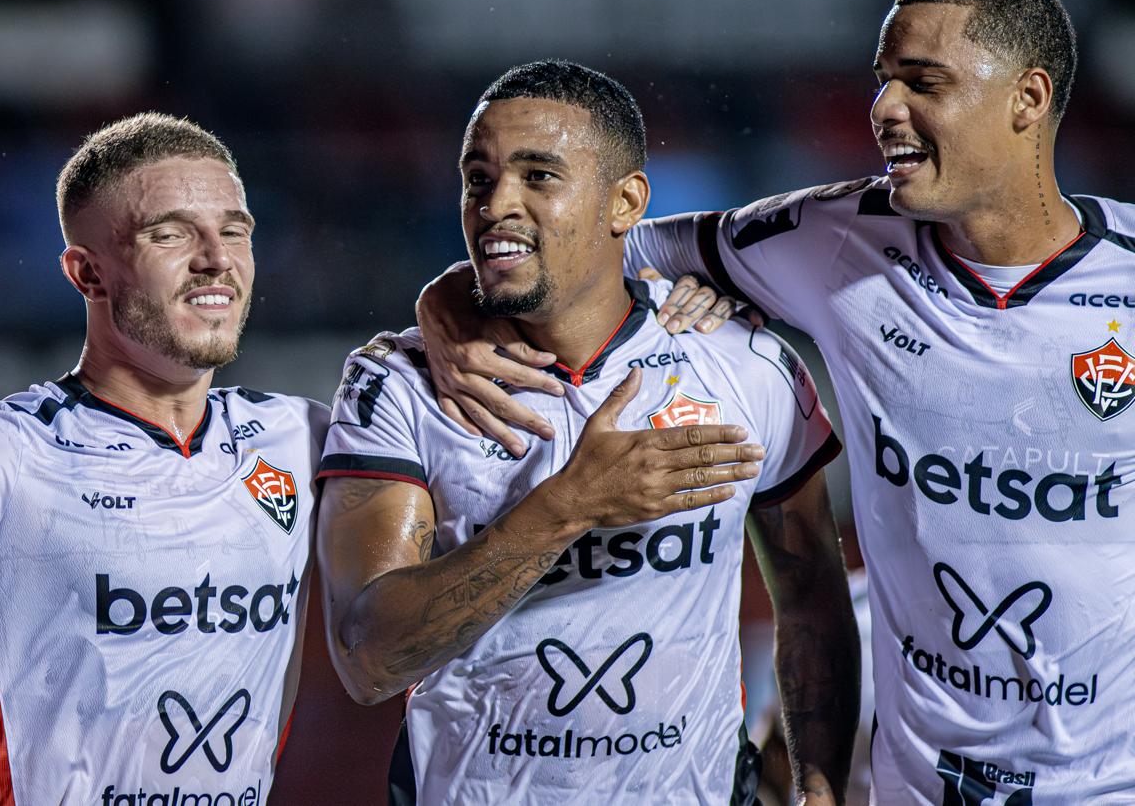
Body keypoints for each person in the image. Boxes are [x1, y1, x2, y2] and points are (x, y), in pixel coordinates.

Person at [418, 0, 1135, 802]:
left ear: (1028, 97)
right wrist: (449, 308)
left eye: (923, 82)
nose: (884, 109)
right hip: (919, 785)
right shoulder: (834, 235)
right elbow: (592, 247)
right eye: (882, 80)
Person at [317, 60, 858, 805]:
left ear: (625, 200)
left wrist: (817, 789)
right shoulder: (400, 382)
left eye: (539, 176)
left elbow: (811, 601)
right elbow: (369, 656)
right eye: (479, 178)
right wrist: (568, 506)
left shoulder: (745, 363)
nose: (496, 204)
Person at [0, 113, 326, 804]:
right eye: (169, 233)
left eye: (234, 230)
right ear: (87, 272)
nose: (215, 257)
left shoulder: (302, 436)